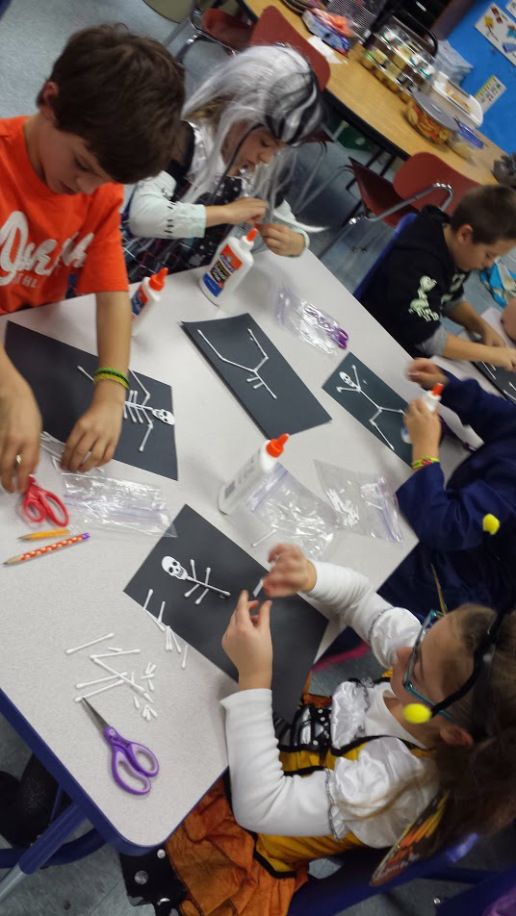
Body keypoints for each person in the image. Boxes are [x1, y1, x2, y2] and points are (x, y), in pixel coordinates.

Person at [119, 544, 516, 916]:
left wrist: (255, 678)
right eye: (428, 633)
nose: (403, 652)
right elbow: (360, 598)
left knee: (147, 727)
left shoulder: (391, 789)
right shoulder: (432, 664)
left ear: (454, 736)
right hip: (273, 745)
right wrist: (311, 575)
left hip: (243, 830)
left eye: (417, 671)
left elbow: (261, 806)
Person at [0, 23, 184, 492]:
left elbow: (112, 297)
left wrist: (110, 390)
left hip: (26, 340)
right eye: (82, 164)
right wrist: (12, 389)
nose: (84, 187)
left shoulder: (98, 195)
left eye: (102, 179)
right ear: (49, 98)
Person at [122, 44, 325, 282]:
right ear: (235, 110)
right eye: (264, 143)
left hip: (184, 281)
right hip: (130, 271)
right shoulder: (187, 142)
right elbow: (142, 217)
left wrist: (297, 242)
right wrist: (226, 213)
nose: (267, 158)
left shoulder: (258, 169)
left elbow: (284, 219)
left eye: (278, 150)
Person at [380, 357, 516, 619]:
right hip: (457, 525)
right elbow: (501, 417)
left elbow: (445, 526)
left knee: (366, 579)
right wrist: (448, 385)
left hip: (453, 579)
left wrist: (426, 453)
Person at [360, 185, 516, 371]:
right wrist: (491, 355)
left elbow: (450, 298)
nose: (490, 265)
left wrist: (481, 327)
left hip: (403, 346)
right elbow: (427, 338)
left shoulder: (457, 252)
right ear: (465, 235)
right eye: (489, 255)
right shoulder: (421, 261)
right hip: (376, 341)